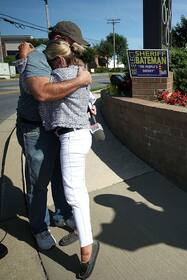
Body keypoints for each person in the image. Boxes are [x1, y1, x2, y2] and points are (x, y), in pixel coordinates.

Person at [15, 21, 91, 251]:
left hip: (55, 127)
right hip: (35, 130)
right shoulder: (38, 57)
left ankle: (61, 214)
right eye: (72, 42)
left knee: (59, 174)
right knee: (39, 181)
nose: (75, 48)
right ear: (58, 37)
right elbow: (41, 92)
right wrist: (80, 80)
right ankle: (39, 227)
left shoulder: (56, 56)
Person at [42, 39, 99, 279]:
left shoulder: (54, 78)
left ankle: (87, 247)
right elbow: (89, 102)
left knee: (74, 194)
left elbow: (44, 112)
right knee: (78, 191)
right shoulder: (82, 73)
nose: (49, 66)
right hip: (84, 135)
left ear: (59, 59)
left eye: (50, 61)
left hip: (70, 140)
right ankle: (82, 235)